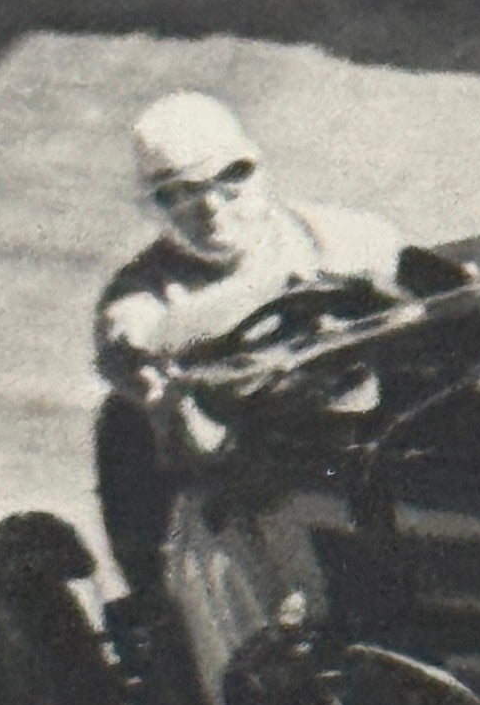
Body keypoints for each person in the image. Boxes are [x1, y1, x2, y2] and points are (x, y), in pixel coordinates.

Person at [93, 91, 404, 594]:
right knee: (125, 428)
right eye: (179, 194)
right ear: (154, 207)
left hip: (365, 437)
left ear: (257, 169)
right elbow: (134, 341)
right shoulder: (141, 298)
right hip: (245, 479)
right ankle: (161, 617)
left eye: (231, 178)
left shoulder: (349, 238)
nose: (212, 209)